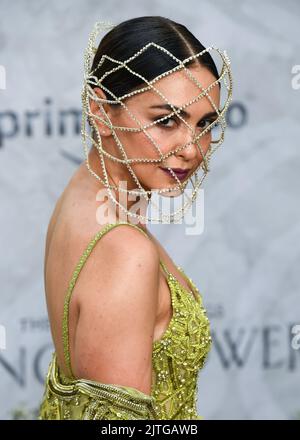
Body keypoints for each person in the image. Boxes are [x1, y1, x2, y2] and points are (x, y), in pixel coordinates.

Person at [38, 15, 233, 420]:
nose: (191, 148)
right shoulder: (125, 252)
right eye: (165, 120)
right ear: (100, 110)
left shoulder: (84, 194)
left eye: (205, 124)